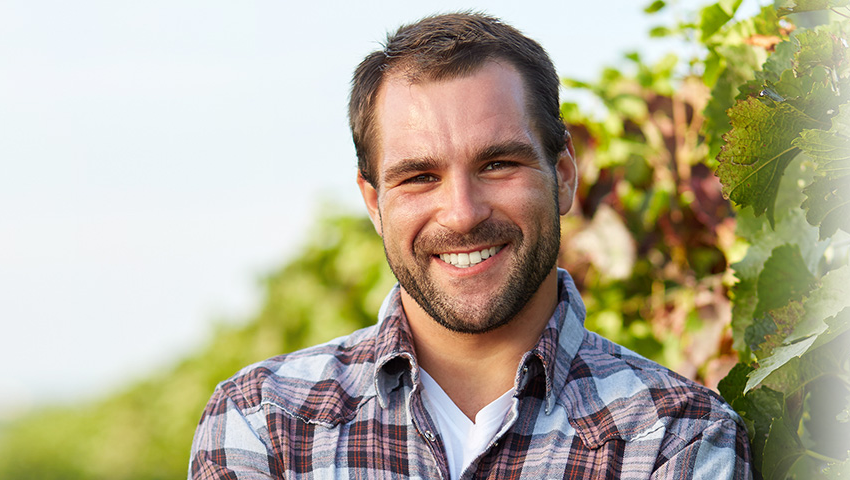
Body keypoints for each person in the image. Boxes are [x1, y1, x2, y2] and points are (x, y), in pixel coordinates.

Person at [189, 12, 750, 479]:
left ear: (564, 176)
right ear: (373, 202)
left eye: (498, 164)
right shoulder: (266, 423)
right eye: (419, 177)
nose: (462, 212)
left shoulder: (678, 436)